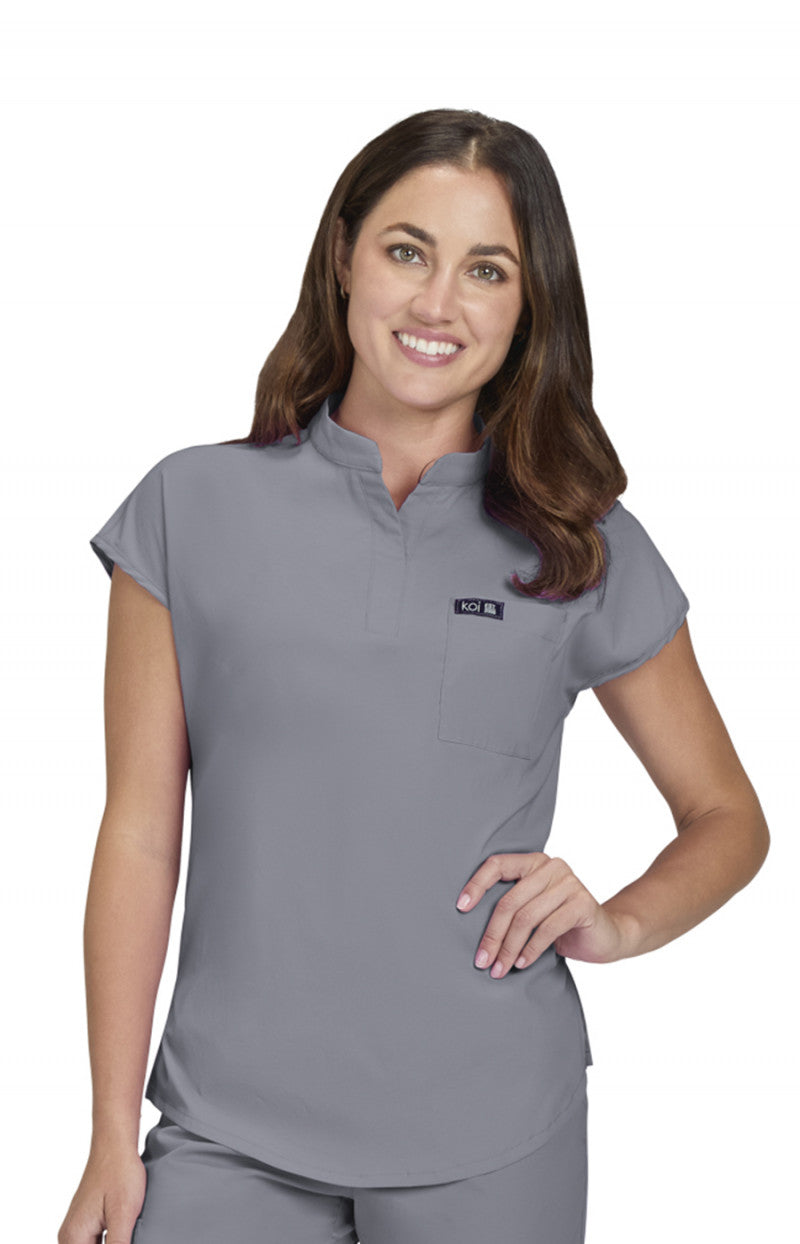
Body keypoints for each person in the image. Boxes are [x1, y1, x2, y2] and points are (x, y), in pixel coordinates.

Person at [58, 108, 770, 1244]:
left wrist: (618, 923)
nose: (438, 303)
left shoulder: (582, 544)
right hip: (225, 1121)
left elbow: (727, 817)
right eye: (407, 251)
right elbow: (141, 834)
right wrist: (107, 1130)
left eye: (486, 269)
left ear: (528, 305)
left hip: (495, 1123)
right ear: (344, 254)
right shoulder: (188, 509)